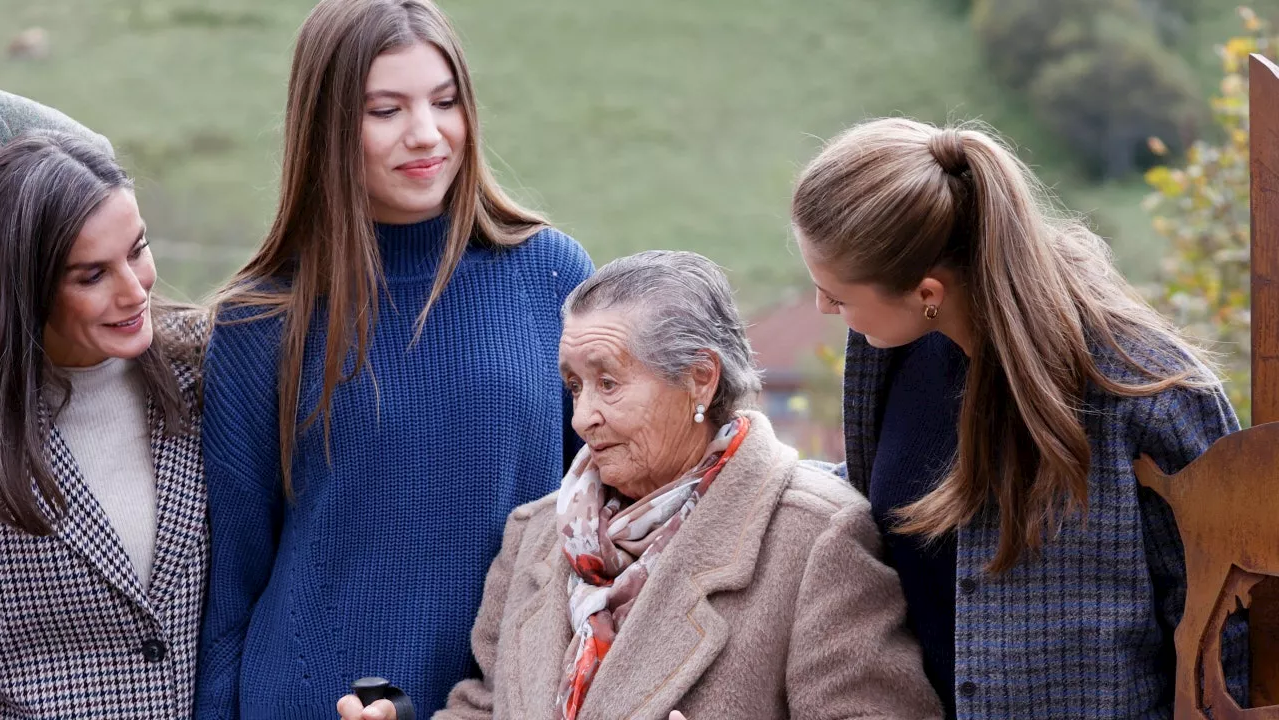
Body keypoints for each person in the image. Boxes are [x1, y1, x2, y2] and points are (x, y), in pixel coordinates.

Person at [193, 0, 593, 716]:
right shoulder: (261, 319)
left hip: (512, 698)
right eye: (385, 110)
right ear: (326, 126)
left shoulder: (552, 276)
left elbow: (597, 510)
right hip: (323, 702)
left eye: (445, 102)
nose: (426, 134)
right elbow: (233, 588)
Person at [337, 251, 942, 720]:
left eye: (609, 382)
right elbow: (487, 707)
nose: (581, 418)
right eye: (575, 386)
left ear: (700, 380)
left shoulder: (816, 537)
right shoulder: (536, 535)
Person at [789, 117, 1247, 718]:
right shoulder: (889, 357)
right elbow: (877, 495)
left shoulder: (1149, 395)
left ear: (927, 293)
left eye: (838, 296)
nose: (822, 307)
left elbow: (1238, 643)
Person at [0, 130, 207, 718]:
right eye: (91, 276)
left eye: (137, 250)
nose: (133, 288)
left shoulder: (211, 366)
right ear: (28, 289)